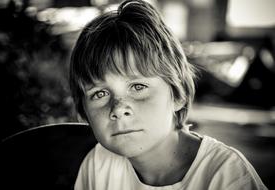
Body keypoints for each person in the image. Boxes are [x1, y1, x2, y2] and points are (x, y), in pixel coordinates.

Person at [69, 0, 267, 189]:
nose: (119, 109)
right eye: (100, 93)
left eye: (138, 87)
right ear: (84, 112)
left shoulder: (227, 177)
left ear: (177, 94)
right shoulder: (98, 164)